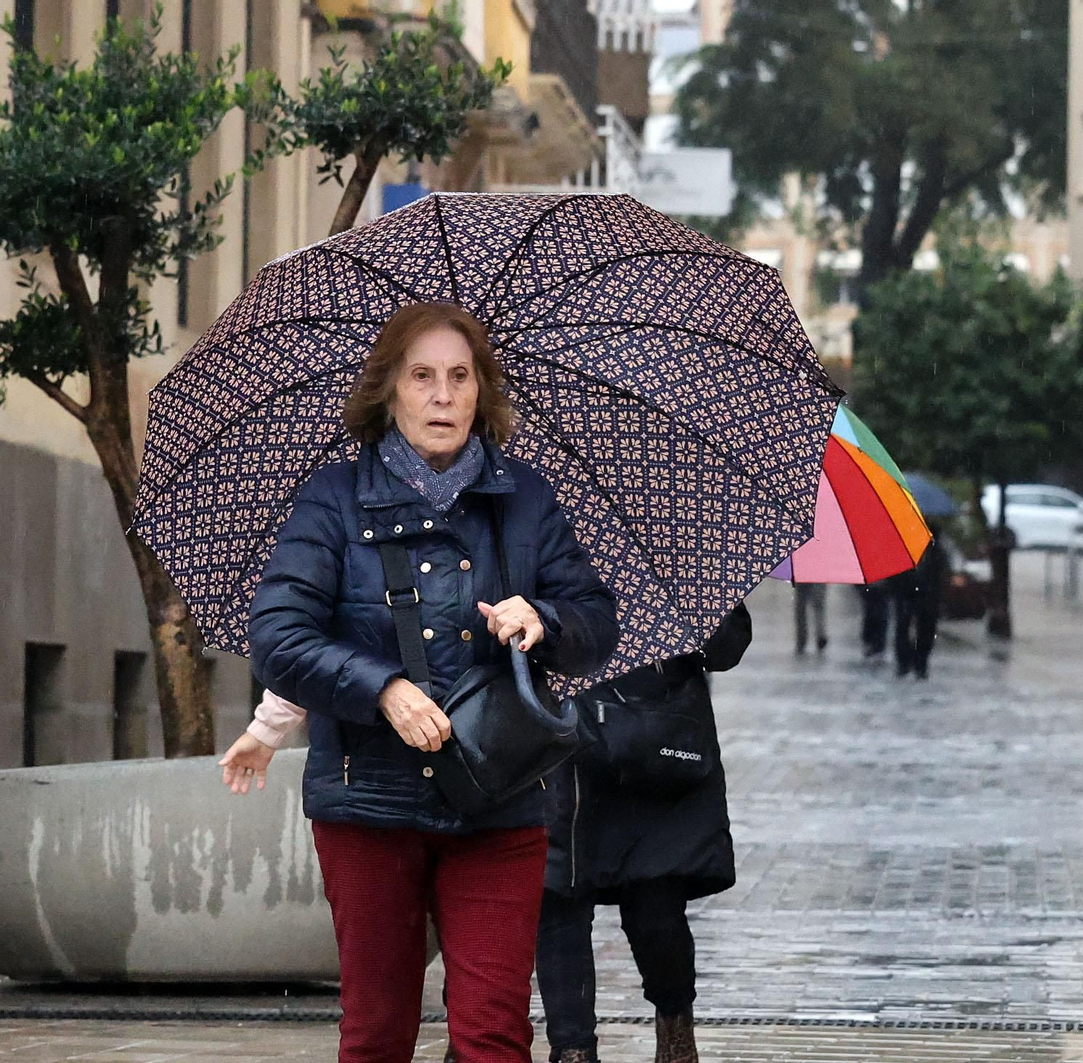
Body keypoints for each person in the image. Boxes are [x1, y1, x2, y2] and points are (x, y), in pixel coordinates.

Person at [226, 302, 620, 1063]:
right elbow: (279, 635)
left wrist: (544, 618)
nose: (442, 395)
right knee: (376, 1033)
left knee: (494, 1032)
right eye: (422, 376)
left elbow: (596, 622)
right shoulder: (333, 499)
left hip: (499, 796)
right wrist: (381, 687)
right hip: (367, 799)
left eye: (460, 377)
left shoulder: (527, 500)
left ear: (482, 391)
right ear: (390, 392)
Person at [538, 604, 753, 1063]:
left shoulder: (679, 542)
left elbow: (725, 650)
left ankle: (676, 1035)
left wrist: (698, 603)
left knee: (657, 912)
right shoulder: (540, 537)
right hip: (567, 746)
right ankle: (573, 1050)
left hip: (658, 748)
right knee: (560, 904)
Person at [891, 523, 951, 679]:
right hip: (906, 593)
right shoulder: (903, 547)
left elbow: (942, 574)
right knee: (903, 626)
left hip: (928, 596)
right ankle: (904, 662)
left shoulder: (937, 552)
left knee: (926, 629)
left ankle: (920, 662)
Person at [860, 577, 896, 660]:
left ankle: (876, 642)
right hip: (872, 584)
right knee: (874, 609)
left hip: (881, 584)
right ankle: (874, 641)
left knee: (878, 609)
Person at [793, 583, 827, 654]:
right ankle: (820, 633)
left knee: (801, 605)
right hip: (818, 574)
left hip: (802, 575)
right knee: (818, 604)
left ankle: (802, 638)